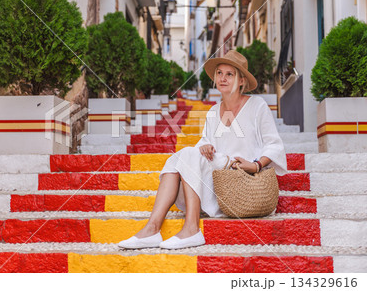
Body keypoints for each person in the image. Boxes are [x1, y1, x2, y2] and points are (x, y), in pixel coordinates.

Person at [118, 50, 287, 250]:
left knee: (186, 154)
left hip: (244, 179)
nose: (223, 78)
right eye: (219, 73)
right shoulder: (213, 112)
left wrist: (256, 164)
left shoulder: (257, 106)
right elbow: (205, 143)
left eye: (230, 74)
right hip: (218, 179)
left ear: (241, 81)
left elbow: (274, 144)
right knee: (181, 156)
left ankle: (189, 228)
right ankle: (152, 228)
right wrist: (204, 145)